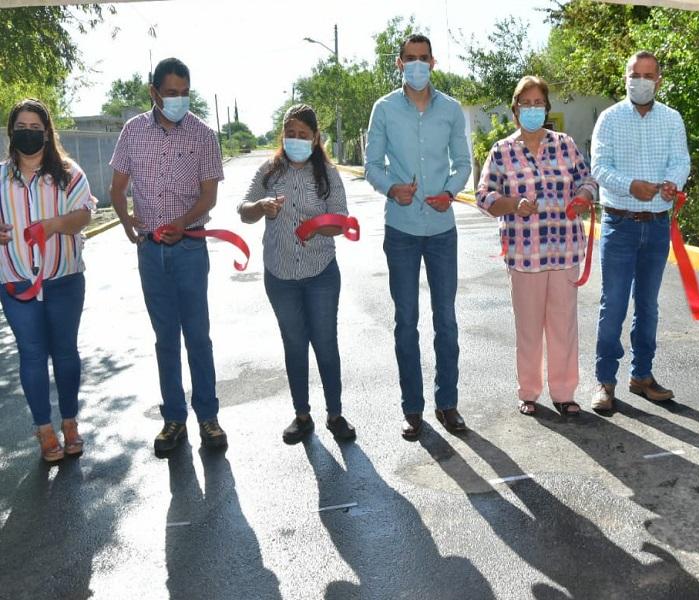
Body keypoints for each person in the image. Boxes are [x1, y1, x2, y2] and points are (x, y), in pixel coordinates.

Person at [109, 57, 227, 454]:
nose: (178, 100)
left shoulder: (203, 135)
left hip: (191, 247)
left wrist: (182, 222)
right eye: (170, 93)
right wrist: (128, 224)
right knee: (165, 339)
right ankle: (174, 419)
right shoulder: (132, 132)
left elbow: (209, 195)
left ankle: (208, 417)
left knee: (198, 336)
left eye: (183, 93)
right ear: (154, 92)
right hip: (151, 254)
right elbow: (117, 189)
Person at [365, 33, 471, 440]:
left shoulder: (451, 109)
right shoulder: (385, 109)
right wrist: (392, 187)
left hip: (442, 230)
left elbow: (463, 162)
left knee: (446, 319)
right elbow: (373, 163)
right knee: (406, 321)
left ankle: (448, 404)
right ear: (399, 64)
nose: (417, 65)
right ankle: (412, 409)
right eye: (410, 58)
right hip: (403, 230)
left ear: (433, 62)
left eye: (423, 58)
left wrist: (450, 190)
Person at [476, 76, 597, 417]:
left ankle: (564, 393)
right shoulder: (501, 151)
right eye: (525, 104)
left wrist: (584, 195)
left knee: (563, 326)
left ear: (546, 108)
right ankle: (528, 391)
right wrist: (513, 204)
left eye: (537, 103)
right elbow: (485, 196)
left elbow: (586, 179)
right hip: (524, 254)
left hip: (564, 250)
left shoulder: (566, 145)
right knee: (528, 327)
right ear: (515, 110)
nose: (532, 109)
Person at [238, 104, 356, 444]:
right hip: (280, 275)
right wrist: (260, 208)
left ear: (315, 138)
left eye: (303, 135)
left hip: (320, 273)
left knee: (325, 343)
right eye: (290, 134)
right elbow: (243, 210)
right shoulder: (268, 171)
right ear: (283, 135)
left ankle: (335, 414)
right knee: (294, 344)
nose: (296, 140)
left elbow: (341, 220)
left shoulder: (328, 174)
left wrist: (319, 226)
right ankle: (302, 415)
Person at [590, 51, 690, 412]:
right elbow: (599, 167)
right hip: (620, 225)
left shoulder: (671, 119)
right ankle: (604, 381)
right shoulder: (609, 118)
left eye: (649, 75)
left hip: (657, 225)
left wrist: (671, 183)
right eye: (636, 74)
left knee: (648, 306)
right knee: (613, 305)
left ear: (659, 80)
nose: (642, 81)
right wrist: (630, 185)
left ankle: (642, 375)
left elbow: (681, 160)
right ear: (626, 77)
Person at [0, 98, 94, 462]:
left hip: (64, 280)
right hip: (16, 284)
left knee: (66, 353)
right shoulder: (0, 176)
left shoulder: (69, 173)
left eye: (35, 128)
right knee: (32, 356)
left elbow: (84, 216)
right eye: (21, 127)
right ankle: (44, 430)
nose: (28, 133)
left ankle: (70, 423)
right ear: (11, 132)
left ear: (47, 132)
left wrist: (53, 225)